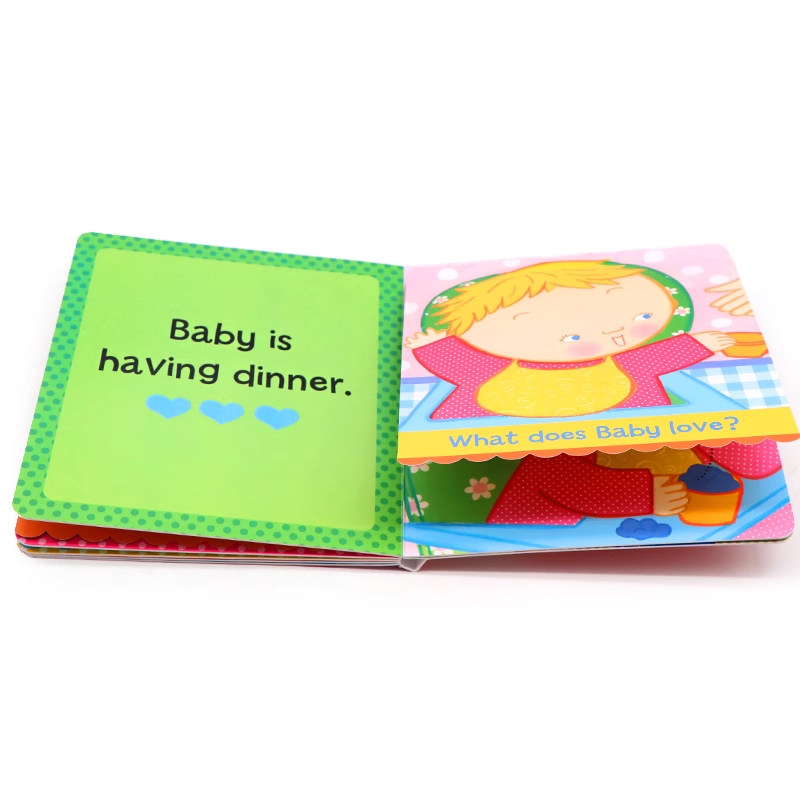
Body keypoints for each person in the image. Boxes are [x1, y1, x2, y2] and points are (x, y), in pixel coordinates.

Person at [405, 260, 734, 419]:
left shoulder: (626, 361)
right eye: (571, 336)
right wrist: (432, 346)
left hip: (629, 427)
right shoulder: (489, 365)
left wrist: (699, 344)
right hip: (484, 433)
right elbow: (460, 362)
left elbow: (658, 355)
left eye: (641, 317)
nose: (613, 333)